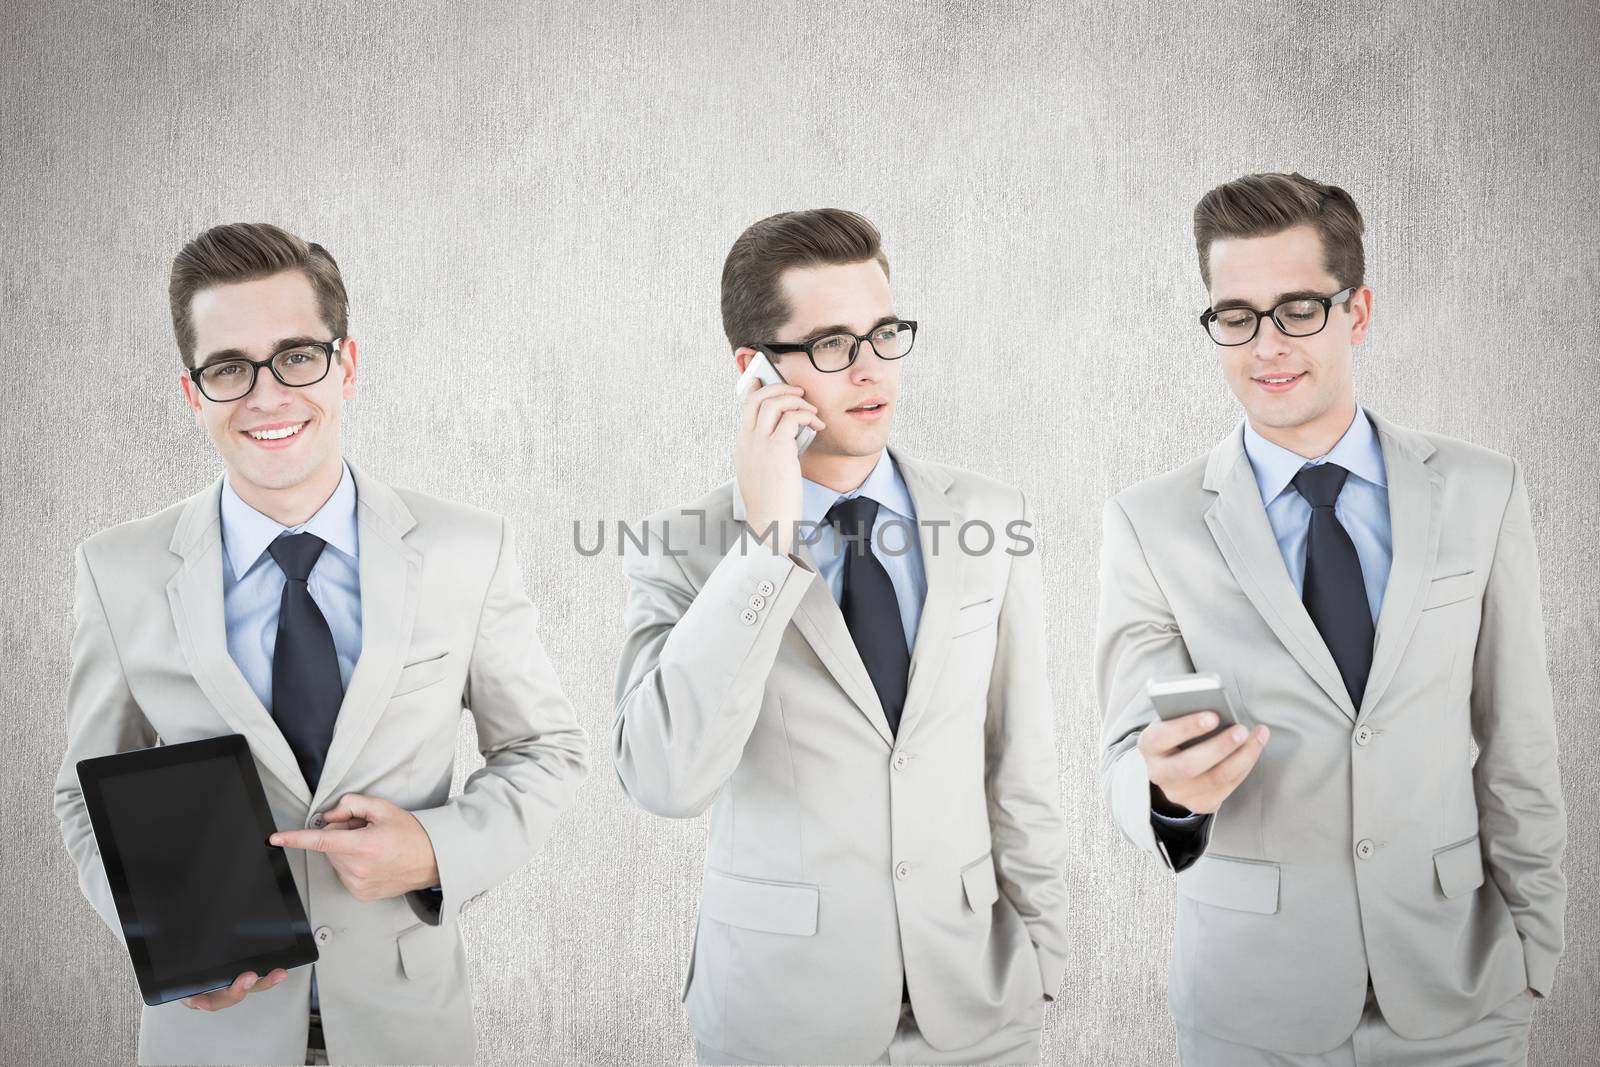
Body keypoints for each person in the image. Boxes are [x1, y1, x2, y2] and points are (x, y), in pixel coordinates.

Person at [54, 223, 591, 1065]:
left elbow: (544, 747)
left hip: (409, 1026)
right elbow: (84, 793)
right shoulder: (116, 570)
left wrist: (434, 850)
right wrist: (153, 929)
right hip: (209, 1035)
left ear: (346, 365)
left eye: (297, 356)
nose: (267, 396)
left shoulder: (466, 548)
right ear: (194, 393)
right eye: (229, 367)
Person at [1095, 172, 1566, 1065]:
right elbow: (1125, 753)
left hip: (1462, 999)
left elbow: (1520, 747)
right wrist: (1165, 797)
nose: (1266, 345)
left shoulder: (1481, 490)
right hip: (1250, 1007)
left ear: (1358, 311)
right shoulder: (1148, 523)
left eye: (1299, 308)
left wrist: (1533, 960)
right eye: (1235, 315)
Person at [613, 208, 1068, 1065]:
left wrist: (1043, 960)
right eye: (831, 344)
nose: (871, 370)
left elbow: (1021, 761)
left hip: (981, 1006)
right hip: (779, 1015)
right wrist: (764, 548)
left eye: (884, 333)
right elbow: (664, 778)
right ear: (754, 373)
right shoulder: (681, 545)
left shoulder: (990, 514)